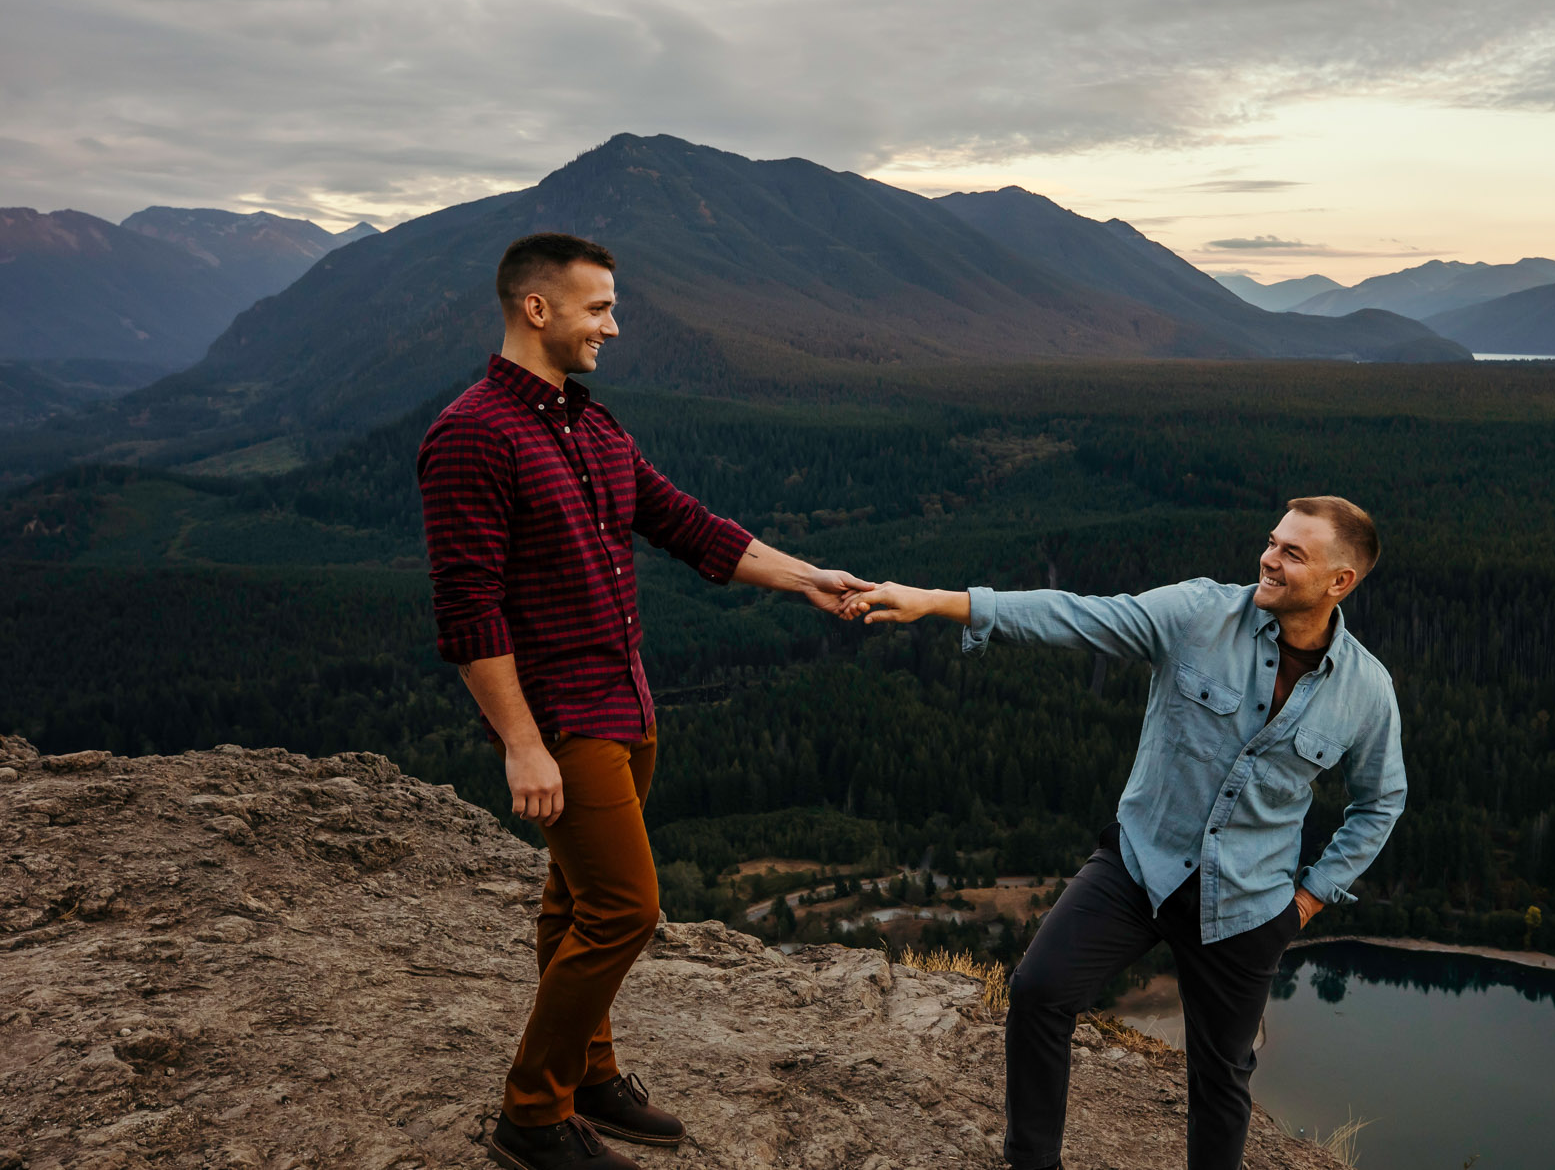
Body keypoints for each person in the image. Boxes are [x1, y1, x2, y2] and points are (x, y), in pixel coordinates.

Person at [418, 232, 873, 1170]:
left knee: (573, 898)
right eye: (599, 308)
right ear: (535, 308)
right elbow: (468, 611)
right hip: (566, 720)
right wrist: (521, 743)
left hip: (629, 705)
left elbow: (689, 525)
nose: (613, 327)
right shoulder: (471, 434)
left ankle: (589, 1071)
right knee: (624, 909)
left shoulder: (591, 427)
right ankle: (532, 1114)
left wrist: (806, 578)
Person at [843, 498, 1405, 1170]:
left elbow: (1381, 801)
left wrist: (1309, 899)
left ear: (1340, 581)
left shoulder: (1368, 690)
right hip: (1141, 865)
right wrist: (939, 601)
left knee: (1221, 1077)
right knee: (1039, 991)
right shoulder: (1200, 613)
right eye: (1271, 541)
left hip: (1249, 903)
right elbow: (1082, 616)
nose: (1268, 557)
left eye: (1292, 552)